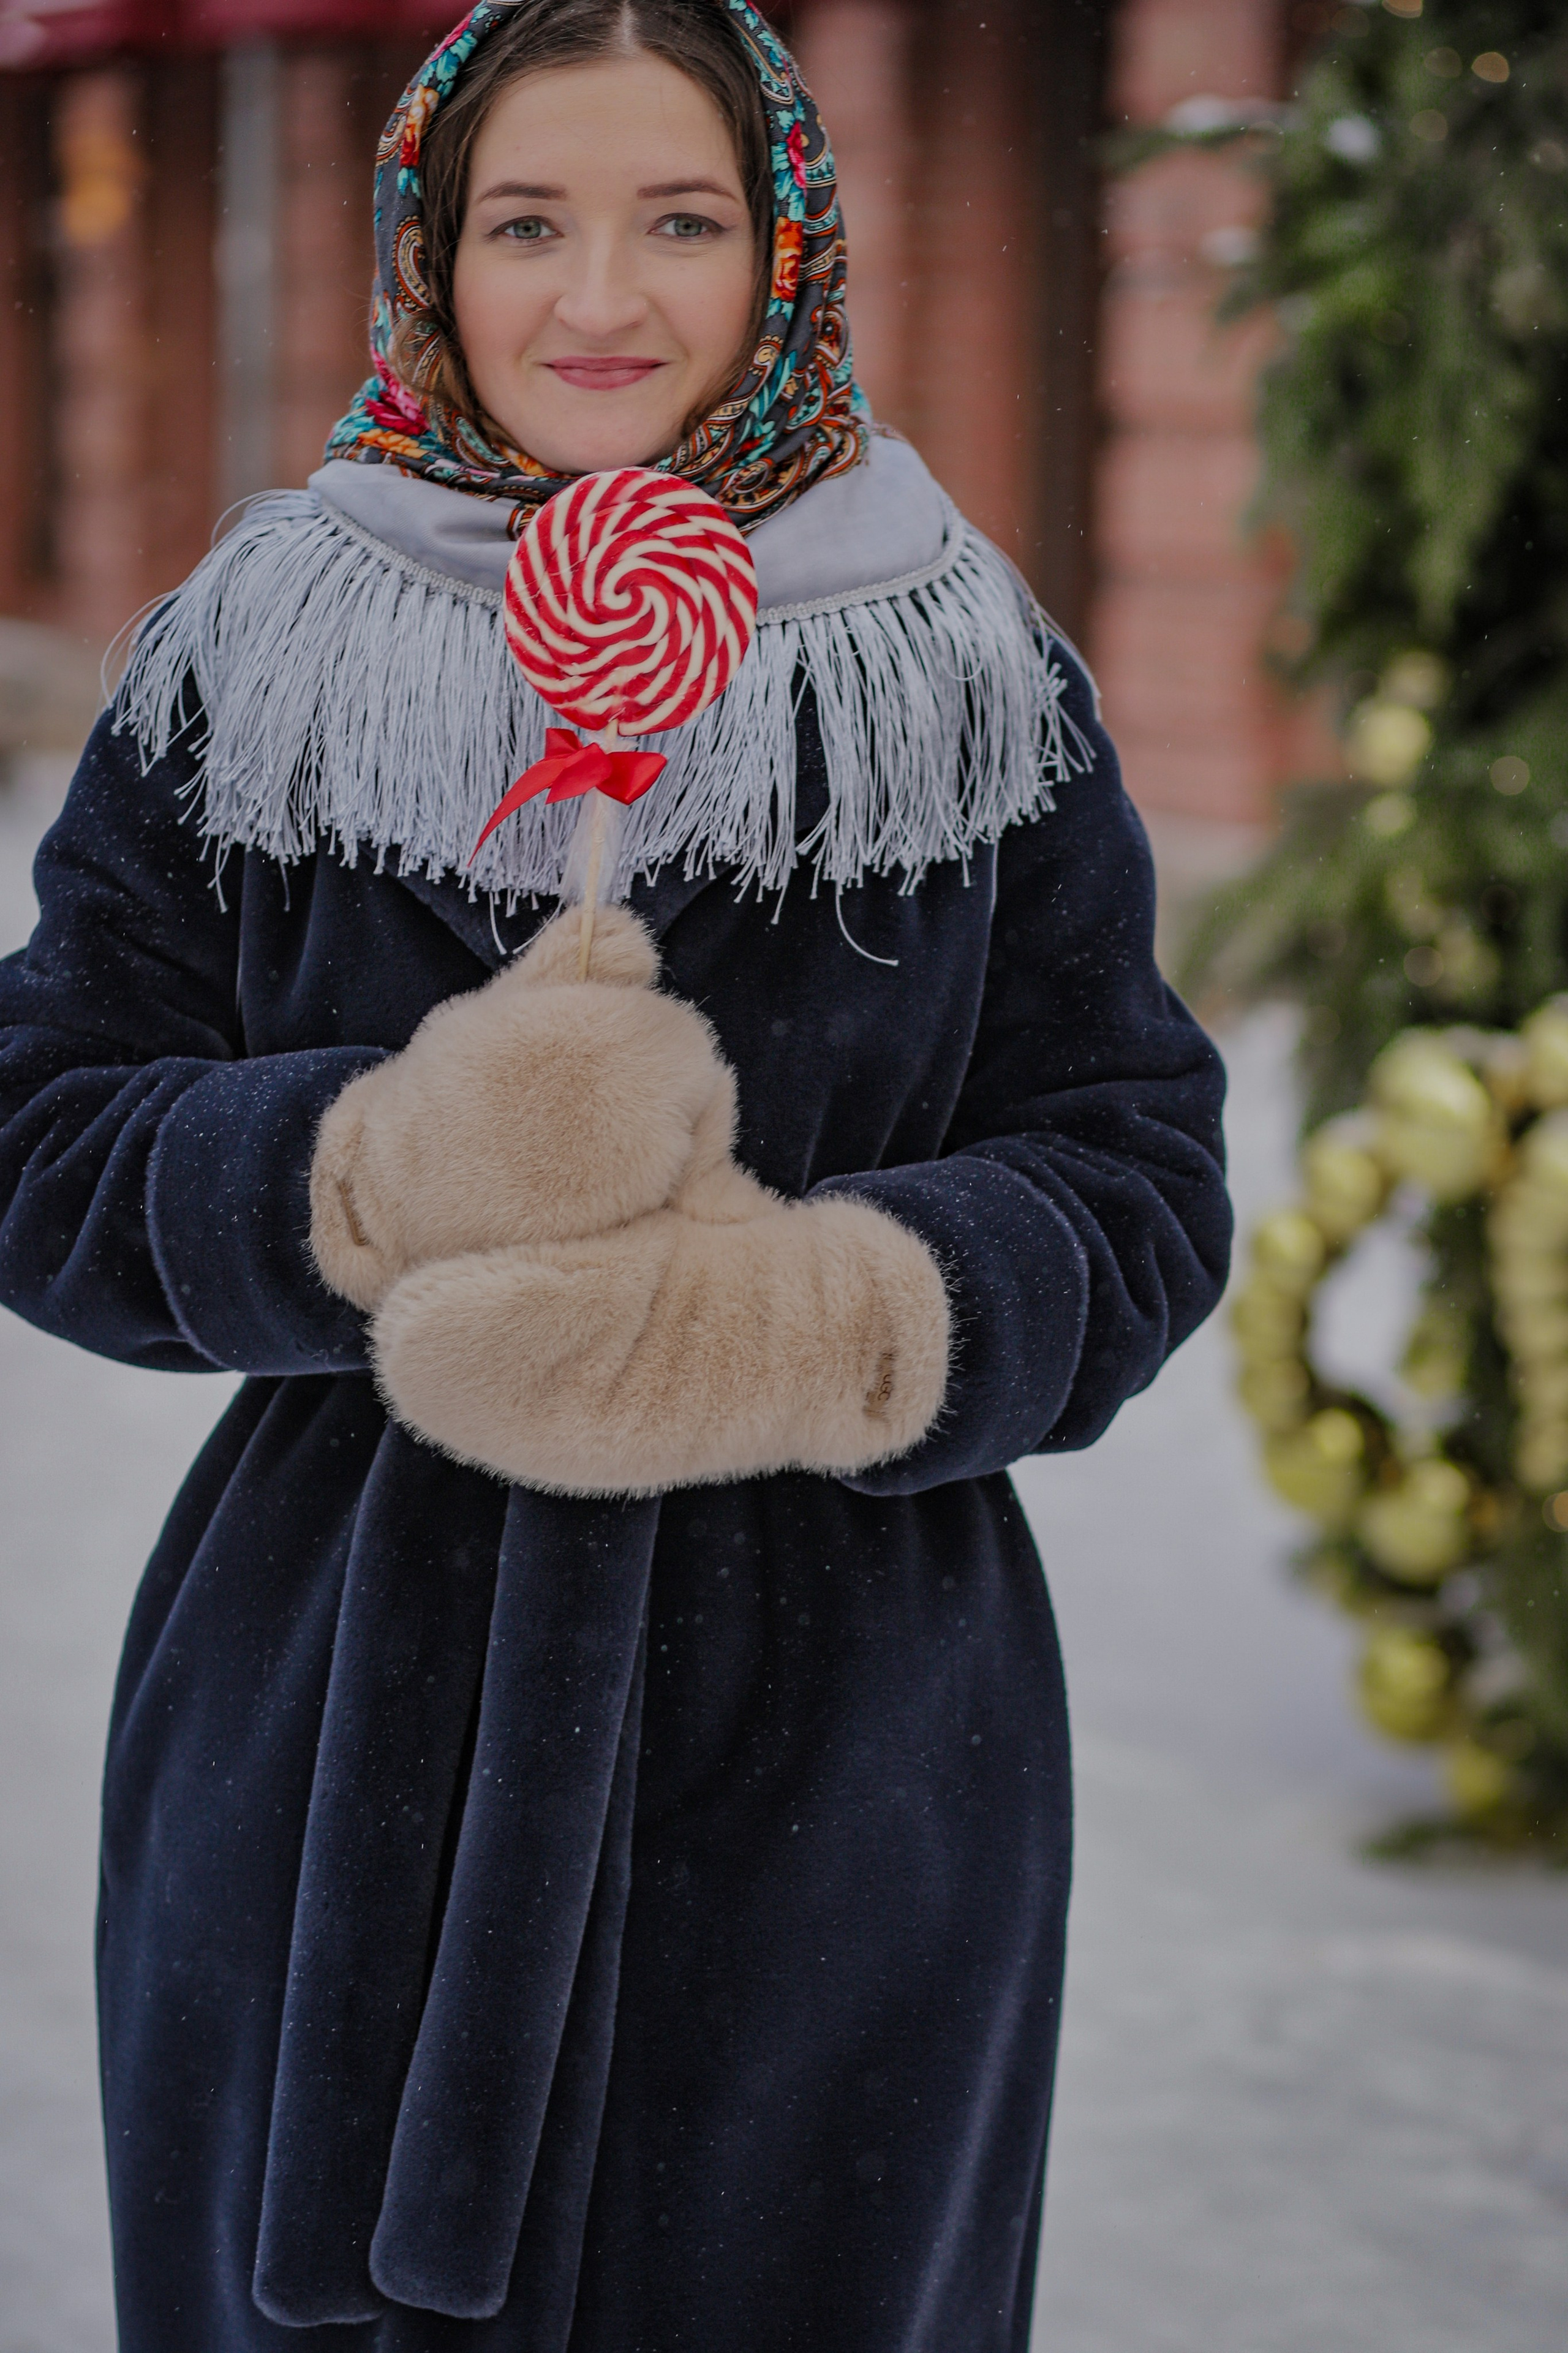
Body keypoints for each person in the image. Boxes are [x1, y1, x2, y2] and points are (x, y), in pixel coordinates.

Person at [0, 2, 1231, 2346]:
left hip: (852, 1768)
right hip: (334, 1729)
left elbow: (1140, 1173)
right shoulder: (251, 660)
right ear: (426, 258)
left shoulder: (966, 679)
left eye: (678, 221)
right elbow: (42, 1125)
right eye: (524, 223)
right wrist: (371, 1172)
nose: (598, 299)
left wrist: (819, 1320)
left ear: (784, 251)